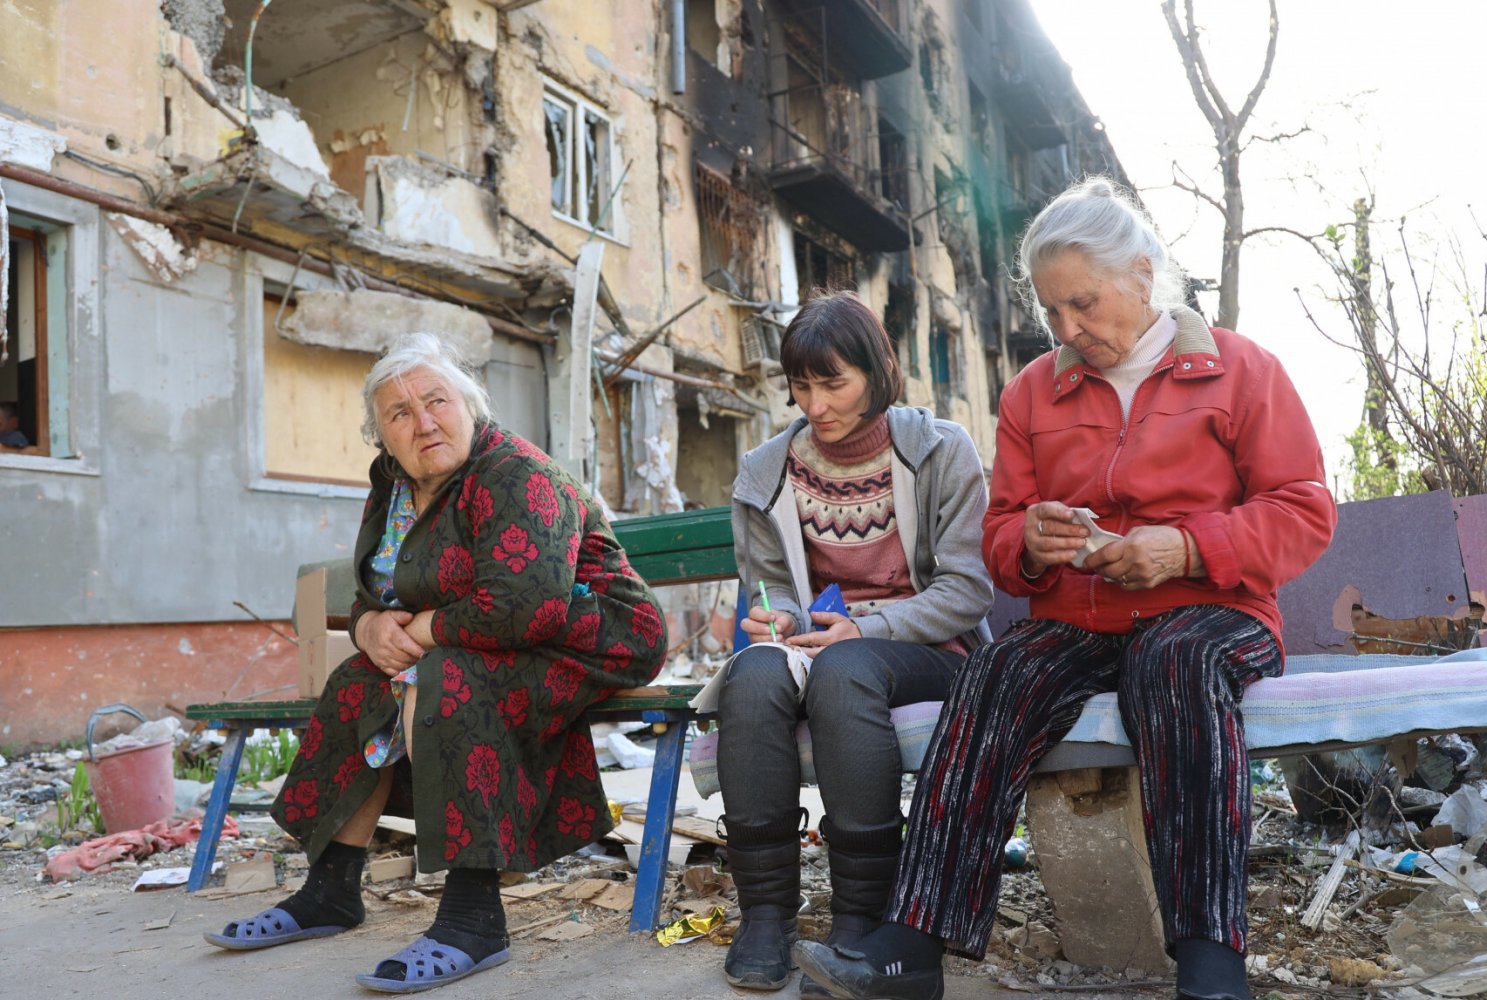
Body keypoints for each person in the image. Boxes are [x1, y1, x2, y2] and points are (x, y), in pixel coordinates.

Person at [794, 178, 1337, 1000]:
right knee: (996, 673)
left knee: (1175, 666)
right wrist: (1035, 547)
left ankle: (1210, 963)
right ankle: (910, 950)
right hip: (1080, 619)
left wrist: (1187, 546)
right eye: (1052, 312)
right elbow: (1002, 541)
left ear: (1143, 277)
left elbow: (1302, 512)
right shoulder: (1031, 393)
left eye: (1082, 303)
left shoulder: (1240, 371)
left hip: (1214, 612)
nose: (1068, 330)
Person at [206, 333, 668, 993]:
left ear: (470, 405)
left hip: (591, 637)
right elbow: (376, 586)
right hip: (479, 637)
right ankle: (331, 890)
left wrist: (424, 627)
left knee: (449, 677)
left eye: (436, 400)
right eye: (399, 414)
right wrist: (368, 626)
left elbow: (530, 605)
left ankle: (475, 919)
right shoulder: (394, 485)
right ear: (382, 437)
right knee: (357, 683)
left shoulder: (517, 475)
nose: (423, 422)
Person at [717, 291, 993, 995]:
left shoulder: (939, 450)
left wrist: (865, 627)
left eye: (833, 382)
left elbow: (967, 590)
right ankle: (768, 915)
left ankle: (862, 918)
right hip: (818, 646)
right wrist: (776, 620)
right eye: (801, 386)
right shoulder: (769, 469)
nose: (815, 404)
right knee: (751, 674)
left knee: (845, 667)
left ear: (878, 369)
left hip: (926, 649)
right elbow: (775, 586)